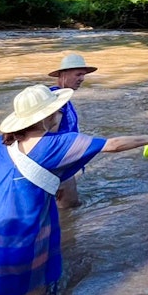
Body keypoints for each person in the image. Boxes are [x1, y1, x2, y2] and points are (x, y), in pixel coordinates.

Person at [0, 84, 148, 295]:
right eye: (58, 110)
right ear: (47, 117)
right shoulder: (59, 144)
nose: (61, 114)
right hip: (23, 240)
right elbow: (112, 144)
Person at [48, 53, 98, 209]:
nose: (82, 78)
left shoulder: (61, 98)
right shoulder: (56, 100)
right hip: (58, 166)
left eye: (83, 74)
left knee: (68, 210)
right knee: (69, 207)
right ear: (63, 74)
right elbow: (49, 136)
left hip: (64, 164)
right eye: (78, 74)